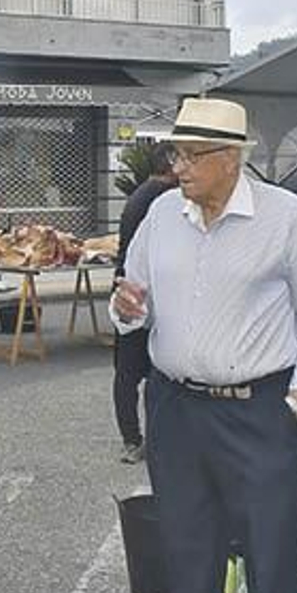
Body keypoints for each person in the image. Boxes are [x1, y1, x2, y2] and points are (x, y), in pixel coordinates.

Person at [112, 97, 297, 593]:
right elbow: (132, 298)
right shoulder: (162, 215)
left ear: (231, 158)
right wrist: (126, 309)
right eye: (175, 153)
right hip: (175, 409)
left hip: (261, 411)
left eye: (190, 155)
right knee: (188, 551)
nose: (177, 167)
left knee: (272, 557)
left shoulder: (284, 217)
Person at [112, 141, 176, 465]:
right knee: (142, 372)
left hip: (130, 286)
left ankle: (135, 439)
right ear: (170, 164)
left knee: (129, 371)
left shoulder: (143, 193)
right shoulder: (162, 200)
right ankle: (138, 441)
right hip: (139, 292)